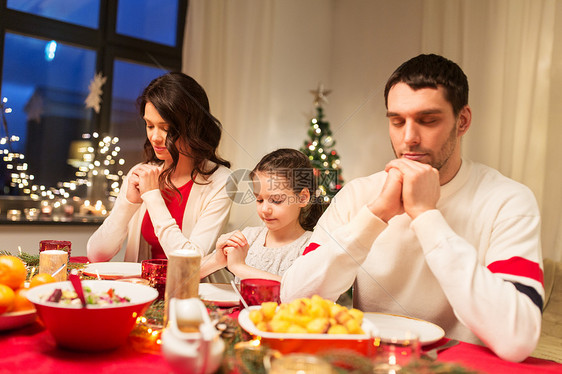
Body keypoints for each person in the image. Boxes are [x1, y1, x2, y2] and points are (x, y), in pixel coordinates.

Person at [280, 54, 544, 362]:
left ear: (463, 121)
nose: (408, 138)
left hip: (460, 369)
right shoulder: (360, 194)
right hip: (371, 364)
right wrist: (375, 215)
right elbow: (293, 299)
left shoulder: (509, 200)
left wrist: (427, 216)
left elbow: (518, 340)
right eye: (397, 121)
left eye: (428, 120)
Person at [87, 72, 232, 262]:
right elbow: (96, 255)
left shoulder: (222, 181)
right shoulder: (140, 173)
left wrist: (153, 196)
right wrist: (128, 205)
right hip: (142, 290)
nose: (155, 137)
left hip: (194, 290)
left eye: (166, 128)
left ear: (193, 127)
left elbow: (189, 261)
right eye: (149, 125)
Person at [200, 148, 323, 281]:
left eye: (276, 200)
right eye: (259, 200)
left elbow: (298, 290)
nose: (264, 209)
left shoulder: (311, 246)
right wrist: (217, 260)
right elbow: (186, 275)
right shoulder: (248, 238)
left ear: (302, 198)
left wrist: (239, 267)